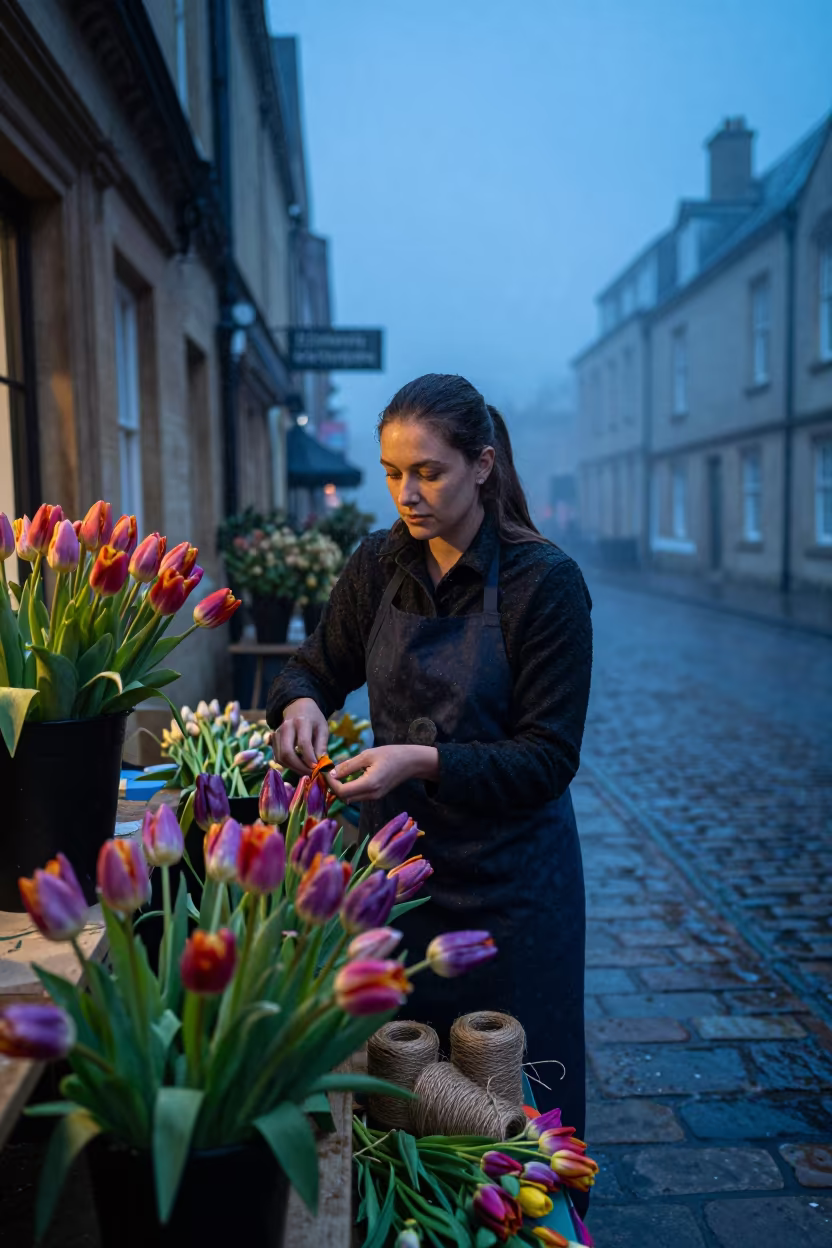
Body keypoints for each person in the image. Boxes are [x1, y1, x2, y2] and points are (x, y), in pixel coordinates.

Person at [267, 373, 593, 1149]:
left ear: (483, 465)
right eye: (392, 473)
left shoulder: (545, 586)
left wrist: (418, 759)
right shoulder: (379, 563)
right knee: (406, 1115)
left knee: (515, 1115)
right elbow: (310, 666)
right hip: (402, 889)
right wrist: (301, 703)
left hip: (514, 895)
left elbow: (547, 760)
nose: (406, 494)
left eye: (428, 471)